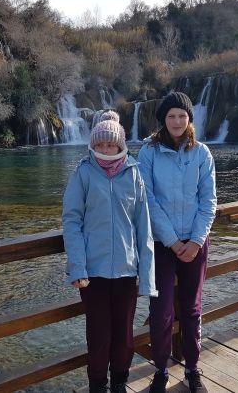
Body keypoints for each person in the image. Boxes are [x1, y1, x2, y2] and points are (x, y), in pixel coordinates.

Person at [63, 112, 158, 393]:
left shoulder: (134, 173)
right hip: (93, 273)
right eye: (100, 144)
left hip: (128, 271)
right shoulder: (82, 173)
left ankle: (119, 383)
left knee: (124, 337)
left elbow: (144, 227)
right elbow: (71, 221)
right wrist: (77, 268)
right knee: (99, 335)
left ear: (120, 146)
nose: (105, 150)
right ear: (93, 145)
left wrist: (146, 273)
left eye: (110, 144)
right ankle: (97, 386)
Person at [138, 92, 217, 393]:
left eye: (182, 116)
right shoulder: (149, 152)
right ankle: (160, 369)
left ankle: (193, 368)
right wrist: (172, 241)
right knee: (161, 312)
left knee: (192, 308)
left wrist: (196, 241)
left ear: (189, 119)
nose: (177, 121)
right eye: (171, 116)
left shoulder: (202, 153)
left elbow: (208, 201)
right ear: (163, 119)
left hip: (195, 242)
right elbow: (148, 200)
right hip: (161, 243)